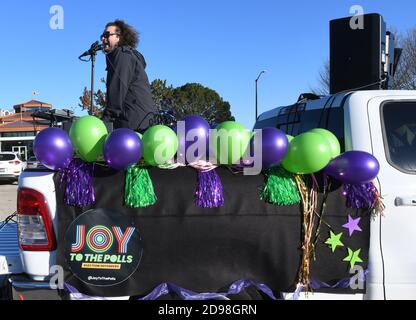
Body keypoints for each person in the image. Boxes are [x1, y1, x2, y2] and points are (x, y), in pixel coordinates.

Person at [101, 19, 157, 132]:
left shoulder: (122, 55)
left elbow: (117, 91)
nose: (103, 38)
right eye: (102, 36)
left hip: (131, 123)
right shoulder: (127, 55)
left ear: (119, 37)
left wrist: (104, 122)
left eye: (107, 35)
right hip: (141, 121)